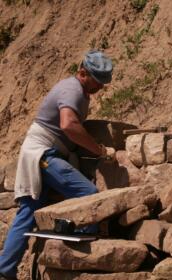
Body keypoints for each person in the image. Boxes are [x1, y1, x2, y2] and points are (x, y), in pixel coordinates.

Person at [0, 50, 113, 280]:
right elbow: (69, 125)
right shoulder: (72, 89)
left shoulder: (75, 89)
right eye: (97, 82)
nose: (100, 88)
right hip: (44, 154)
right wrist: (100, 150)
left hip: (40, 152)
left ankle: (4, 271)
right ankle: (77, 260)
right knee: (88, 195)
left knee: (28, 213)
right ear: (83, 73)